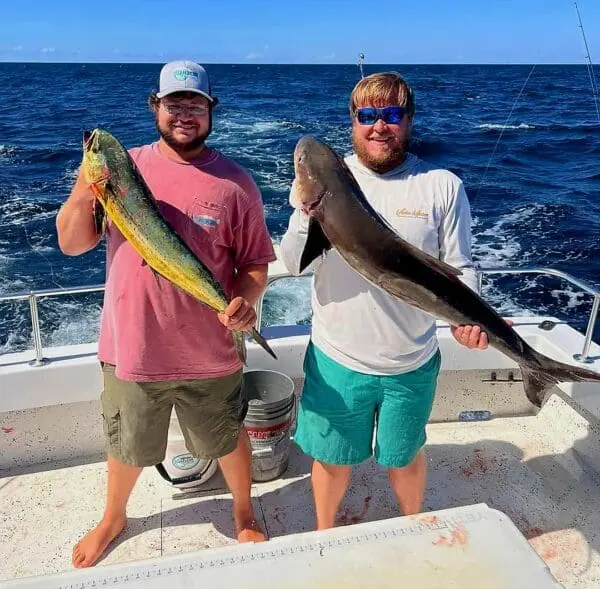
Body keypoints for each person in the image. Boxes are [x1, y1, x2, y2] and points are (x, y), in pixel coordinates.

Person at [56, 60, 275, 568]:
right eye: (173, 103)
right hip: (132, 346)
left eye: (194, 104)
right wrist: (88, 188)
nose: (184, 114)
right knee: (127, 443)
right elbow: (71, 243)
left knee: (225, 434)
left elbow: (256, 263)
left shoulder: (236, 184)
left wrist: (246, 299)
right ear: (155, 107)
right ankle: (113, 517)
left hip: (211, 350)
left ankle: (244, 512)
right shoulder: (120, 168)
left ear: (210, 110)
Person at [280, 71, 489, 530]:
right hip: (338, 359)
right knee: (333, 461)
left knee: (406, 457)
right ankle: (324, 533)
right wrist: (303, 211)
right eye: (368, 115)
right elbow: (294, 264)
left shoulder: (442, 186)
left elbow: (461, 265)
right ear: (353, 122)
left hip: (410, 362)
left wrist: (470, 320)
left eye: (392, 115)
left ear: (409, 121)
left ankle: (412, 526)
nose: (380, 126)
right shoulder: (327, 184)